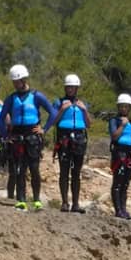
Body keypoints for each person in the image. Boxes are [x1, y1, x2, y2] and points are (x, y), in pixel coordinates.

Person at [0, 64, 56, 212]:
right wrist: (6, 136)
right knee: (20, 169)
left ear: (23, 80)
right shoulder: (11, 98)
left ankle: (37, 200)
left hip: (32, 136)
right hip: (17, 135)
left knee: (34, 168)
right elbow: (1, 119)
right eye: (13, 82)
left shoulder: (37, 96)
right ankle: (21, 200)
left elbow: (53, 113)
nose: (14, 84)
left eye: (16, 81)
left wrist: (44, 129)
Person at [50, 74, 92, 213]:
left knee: (76, 173)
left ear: (76, 88)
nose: (70, 89)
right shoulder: (58, 102)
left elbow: (88, 124)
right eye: (68, 87)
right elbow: (53, 121)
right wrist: (62, 110)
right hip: (64, 139)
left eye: (73, 87)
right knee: (64, 171)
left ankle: (75, 204)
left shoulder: (82, 104)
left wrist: (84, 110)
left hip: (79, 139)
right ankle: (64, 203)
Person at [109, 93, 131, 219]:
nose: (123, 109)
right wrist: (122, 125)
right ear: (118, 107)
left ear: (129, 108)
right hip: (119, 154)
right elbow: (114, 136)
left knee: (125, 183)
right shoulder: (114, 121)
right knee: (118, 182)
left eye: (126, 106)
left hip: (130, 154)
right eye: (121, 106)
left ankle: (124, 210)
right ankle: (118, 210)